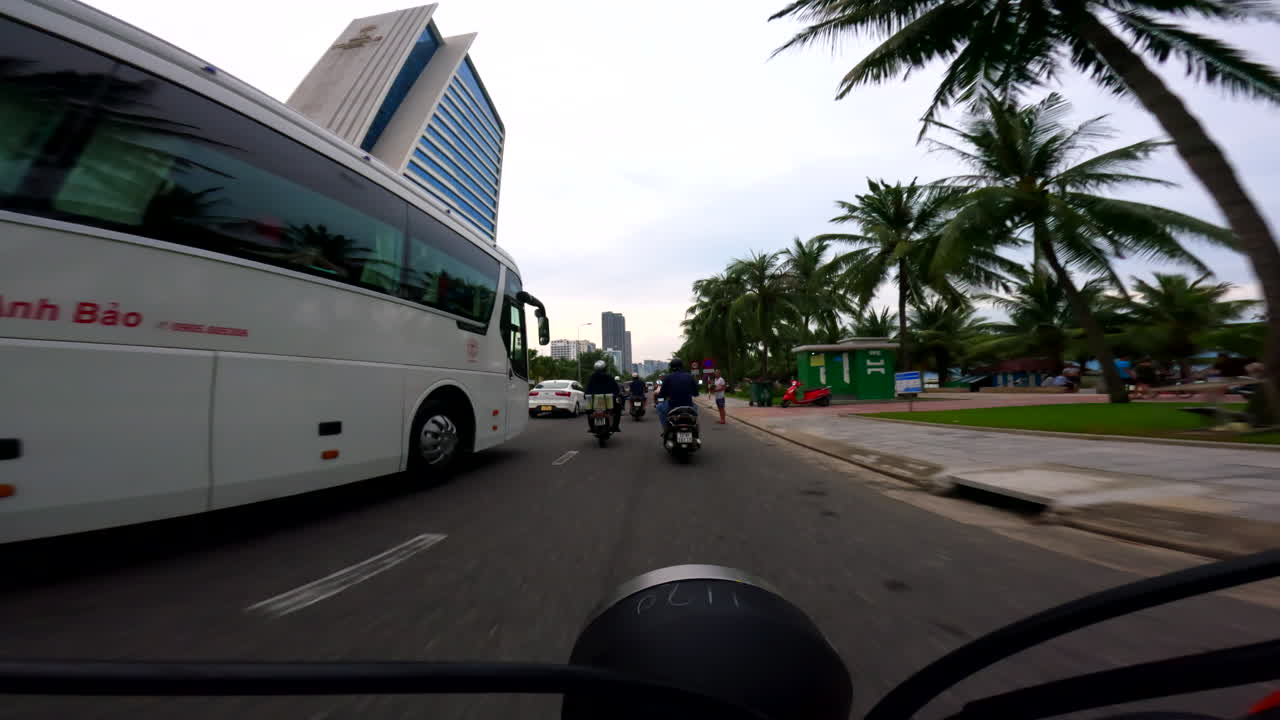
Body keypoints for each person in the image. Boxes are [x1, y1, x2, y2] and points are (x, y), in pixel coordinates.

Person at [656, 358, 699, 433]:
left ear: (671, 367)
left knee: (659, 407)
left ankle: (665, 429)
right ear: (682, 366)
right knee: (696, 410)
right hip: (688, 405)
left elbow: (662, 394)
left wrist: (661, 396)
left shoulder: (667, 377)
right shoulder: (690, 376)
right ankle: (695, 429)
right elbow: (696, 393)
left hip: (672, 406)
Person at [584, 360, 623, 433]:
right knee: (618, 409)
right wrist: (617, 395)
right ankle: (615, 426)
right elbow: (616, 389)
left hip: (594, 400)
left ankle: (591, 427)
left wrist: (586, 395)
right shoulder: (609, 376)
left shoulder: (592, 377)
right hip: (608, 399)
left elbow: (587, 389)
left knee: (589, 412)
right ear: (605, 368)